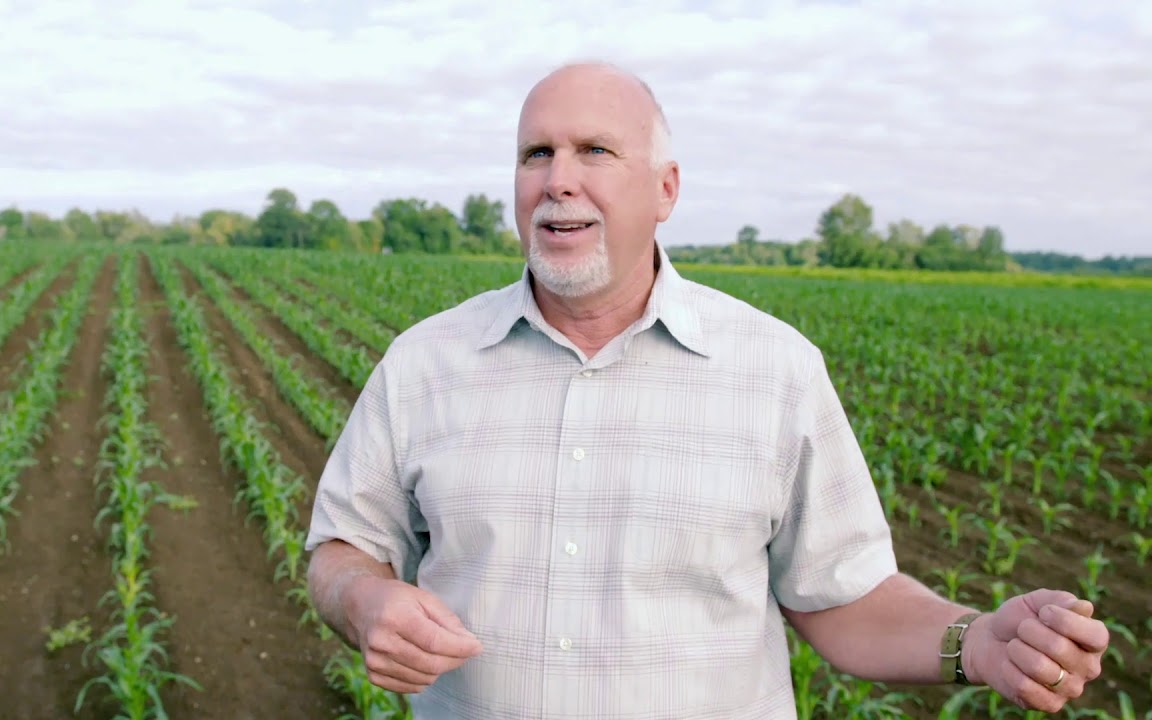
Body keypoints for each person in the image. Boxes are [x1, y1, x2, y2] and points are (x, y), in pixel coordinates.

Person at [304, 61, 1109, 719]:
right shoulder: (425, 363)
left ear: (666, 190)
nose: (559, 180)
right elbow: (343, 549)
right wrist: (365, 602)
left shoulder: (775, 370)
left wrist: (973, 642)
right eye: (535, 154)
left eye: (596, 151)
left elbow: (845, 598)